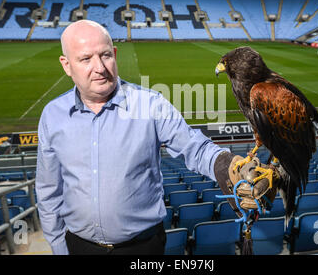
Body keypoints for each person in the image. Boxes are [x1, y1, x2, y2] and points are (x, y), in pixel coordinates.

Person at [36, 20, 274, 255]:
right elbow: (49, 190)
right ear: (66, 65)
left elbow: (195, 147)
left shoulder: (151, 104)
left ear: (115, 54)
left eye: (105, 55)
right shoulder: (52, 116)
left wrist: (226, 164)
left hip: (143, 247)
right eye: (86, 59)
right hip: (79, 247)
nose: (99, 67)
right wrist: (58, 246)